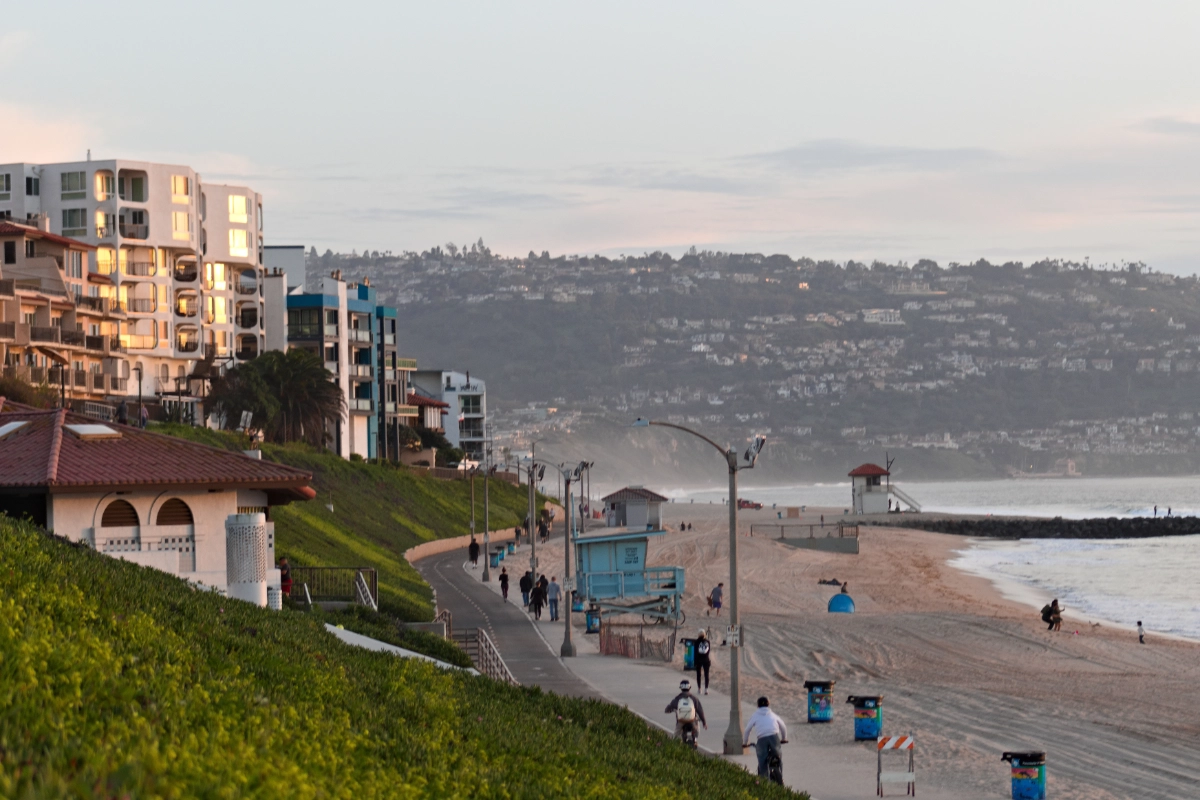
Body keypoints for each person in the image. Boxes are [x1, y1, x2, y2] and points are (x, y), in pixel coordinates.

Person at [743, 696, 788, 780]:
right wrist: (784, 738)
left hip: (762, 739)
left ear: (758, 705)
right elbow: (783, 726)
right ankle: (780, 775)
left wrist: (745, 743)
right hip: (774, 737)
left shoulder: (755, 715)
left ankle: (764, 780)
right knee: (778, 757)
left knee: (762, 760)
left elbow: (747, 730)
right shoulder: (773, 714)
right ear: (768, 704)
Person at [694, 629, 712, 694]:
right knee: (706, 674)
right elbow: (708, 651)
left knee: (698, 675)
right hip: (706, 659)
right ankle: (706, 689)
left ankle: (699, 688)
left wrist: (695, 661)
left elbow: (695, 652)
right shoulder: (708, 641)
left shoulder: (696, 642)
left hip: (699, 659)